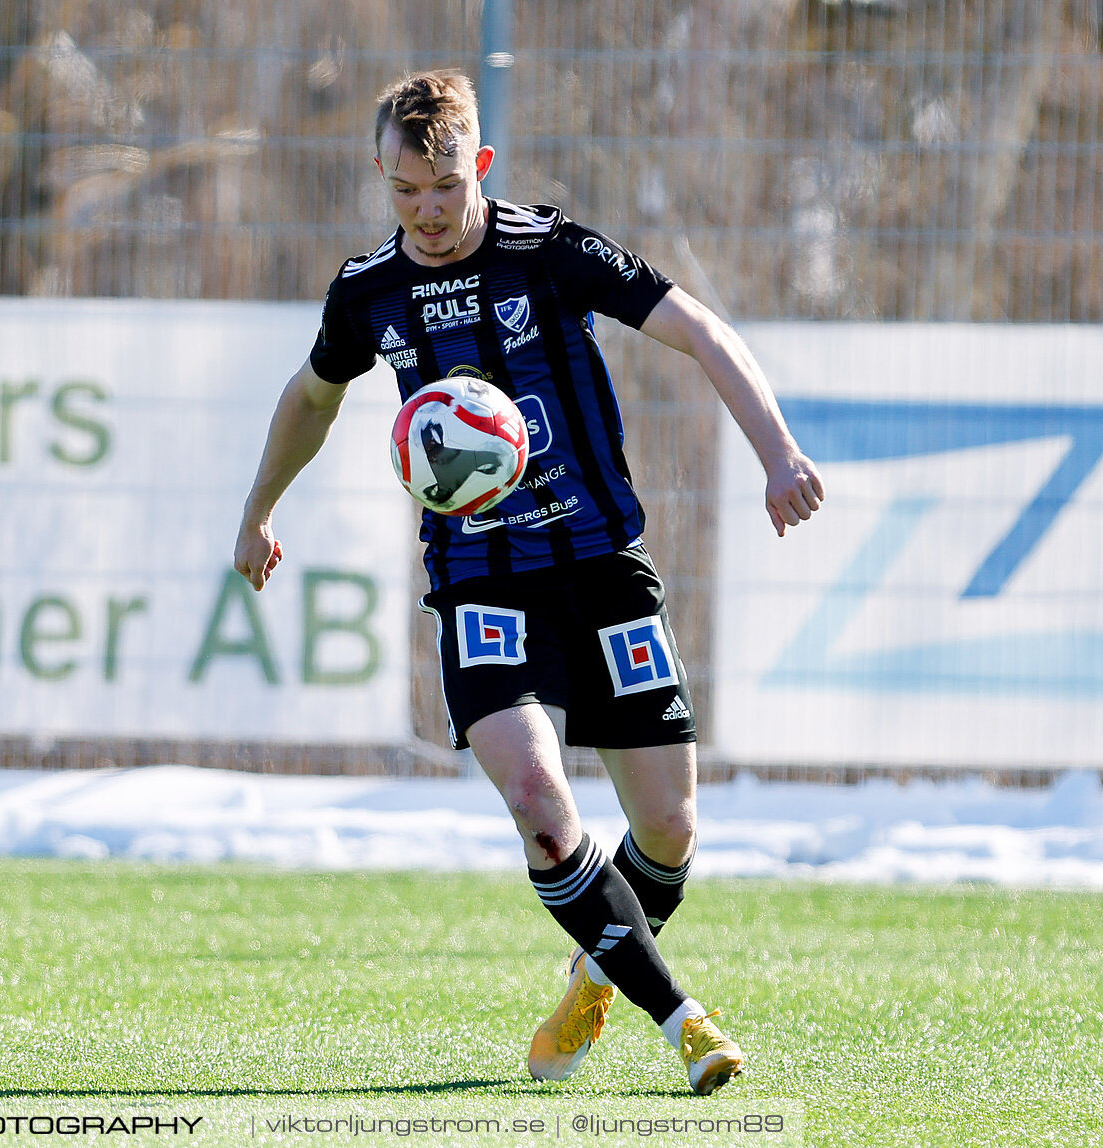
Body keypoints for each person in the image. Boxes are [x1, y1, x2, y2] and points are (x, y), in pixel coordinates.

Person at [232, 70, 822, 1096]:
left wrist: (777, 453)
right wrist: (257, 509)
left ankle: (596, 969)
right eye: (406, 191)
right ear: (382, 173)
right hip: (480, 582)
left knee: (671, 827)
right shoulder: (368, 289)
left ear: (480, 168)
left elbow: (704, 331)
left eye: (446, 189)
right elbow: (312, 397)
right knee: (544, 809)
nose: (426, 212)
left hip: (601, 570)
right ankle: (682, 1017)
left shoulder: (551, 251)